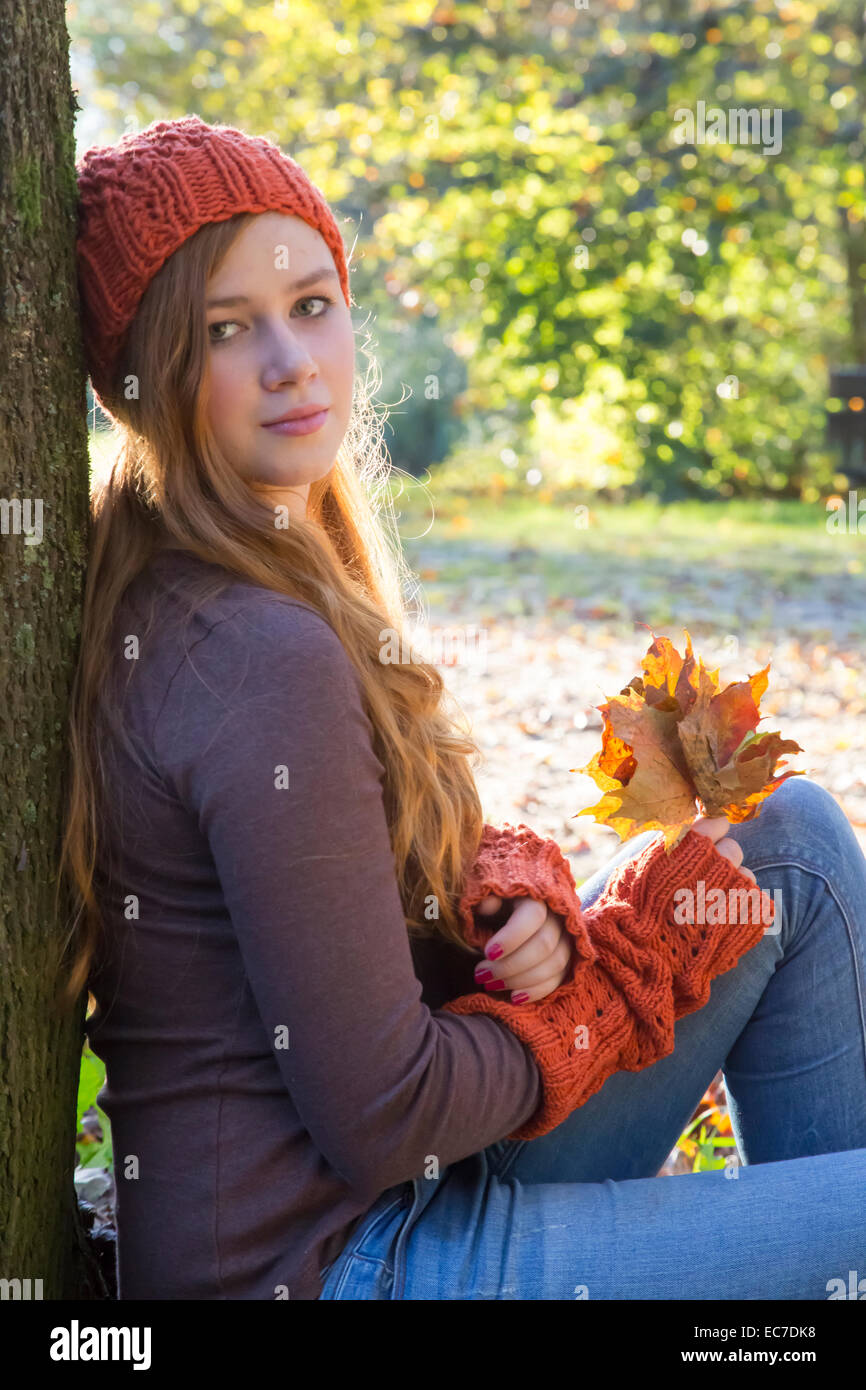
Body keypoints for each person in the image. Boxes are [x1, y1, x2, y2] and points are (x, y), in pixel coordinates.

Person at [56, 115, 866, 1301]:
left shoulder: (227, 582)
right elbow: (387, 1115)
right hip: (339, 1264)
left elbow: (323, 910)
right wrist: (611, 981)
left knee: (785, 847)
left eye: (313, 302)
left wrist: (504, 898)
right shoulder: (254, 651)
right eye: (228, 330)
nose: (292, 359)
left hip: (395, 1203)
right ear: (146, 381)